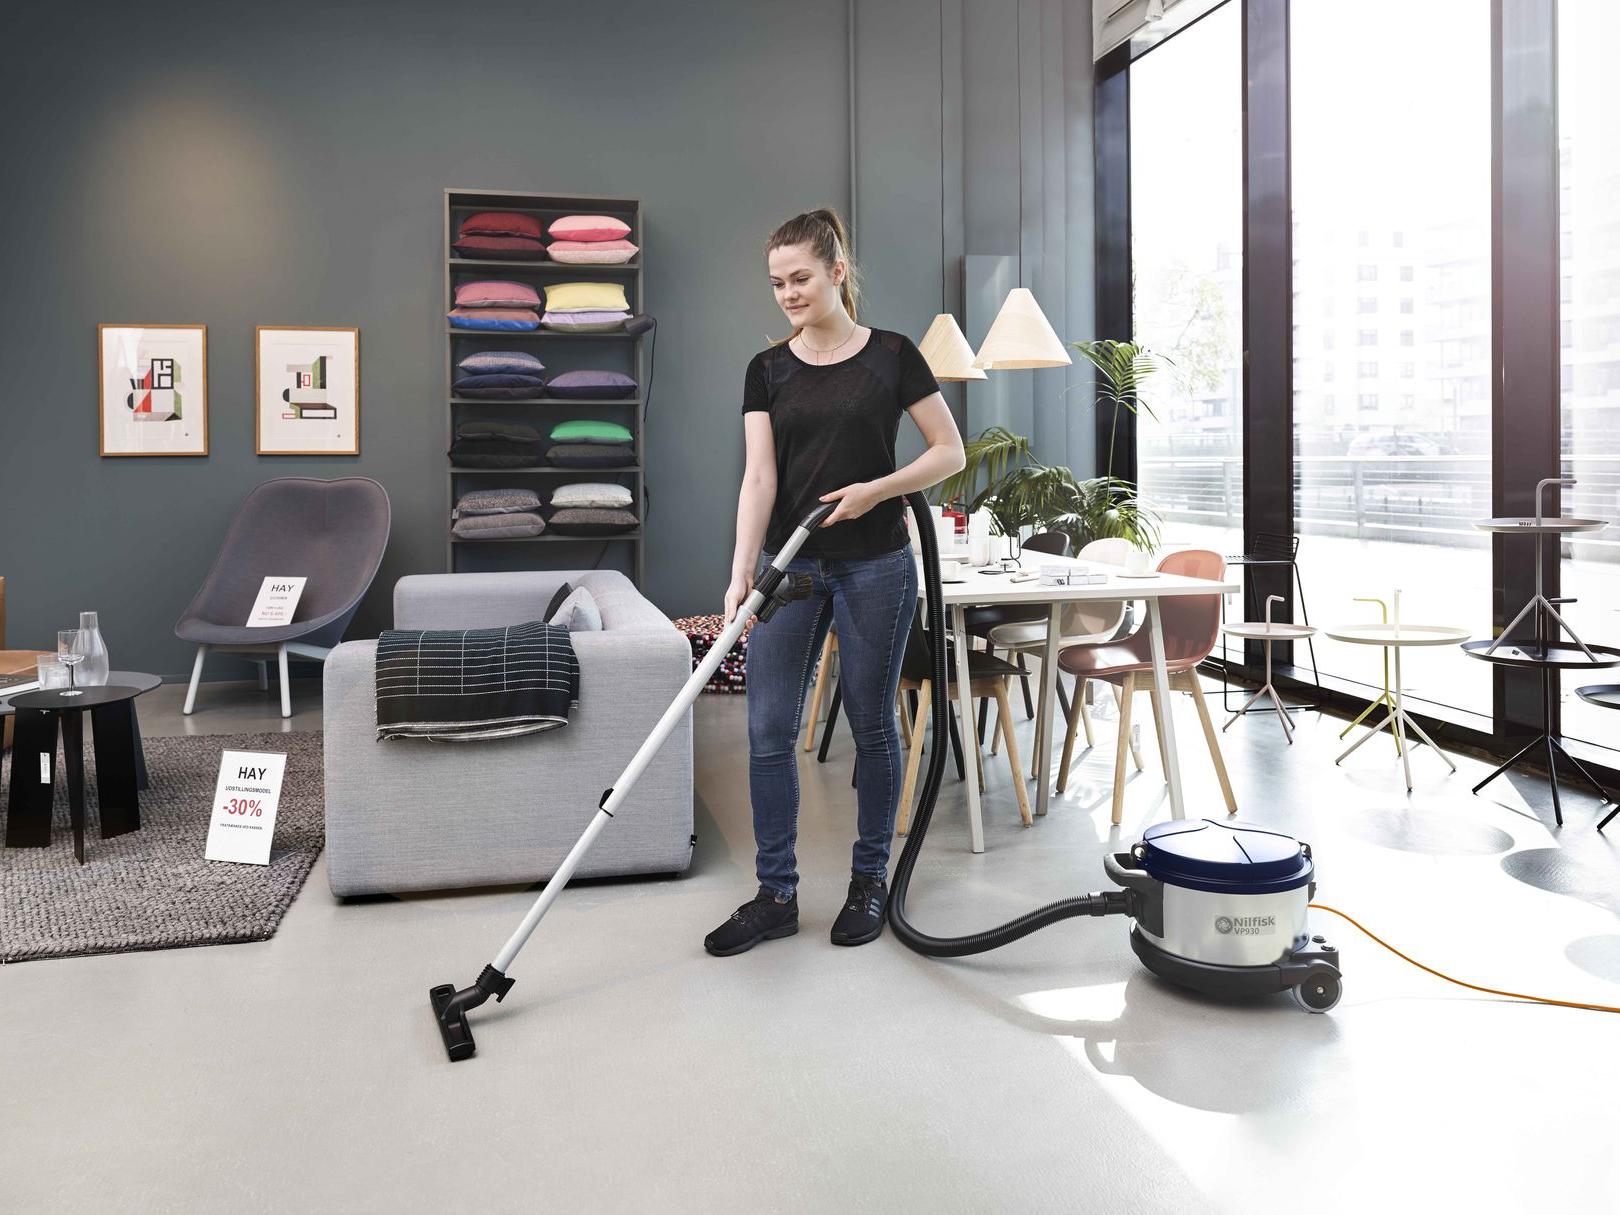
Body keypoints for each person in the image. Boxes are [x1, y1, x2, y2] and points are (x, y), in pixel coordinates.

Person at [704, 208, 966, 957]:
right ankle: (776, 893)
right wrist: (739, 573)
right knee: (767, 729)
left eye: (801, 278)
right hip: (794, 566)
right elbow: (759, 478)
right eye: (777, 282)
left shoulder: (891, 355)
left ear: (837, 271)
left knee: (872, 720)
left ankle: (870, 879)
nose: (787, 293)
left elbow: (948, 451)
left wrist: (878, 489)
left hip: (878, 562)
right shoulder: (768, 370)